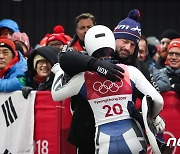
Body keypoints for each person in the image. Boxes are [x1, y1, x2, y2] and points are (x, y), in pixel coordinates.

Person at [51, 25, 164, 153]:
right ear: (113, 41)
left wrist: (58, 71)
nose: (128, 47)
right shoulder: (132, 71)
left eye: (132, 44)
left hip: (102, 139)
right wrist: (150, 116)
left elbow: (56, 94)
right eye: (125, 42)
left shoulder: (83, 77)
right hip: (132, 136)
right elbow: (158, 101)